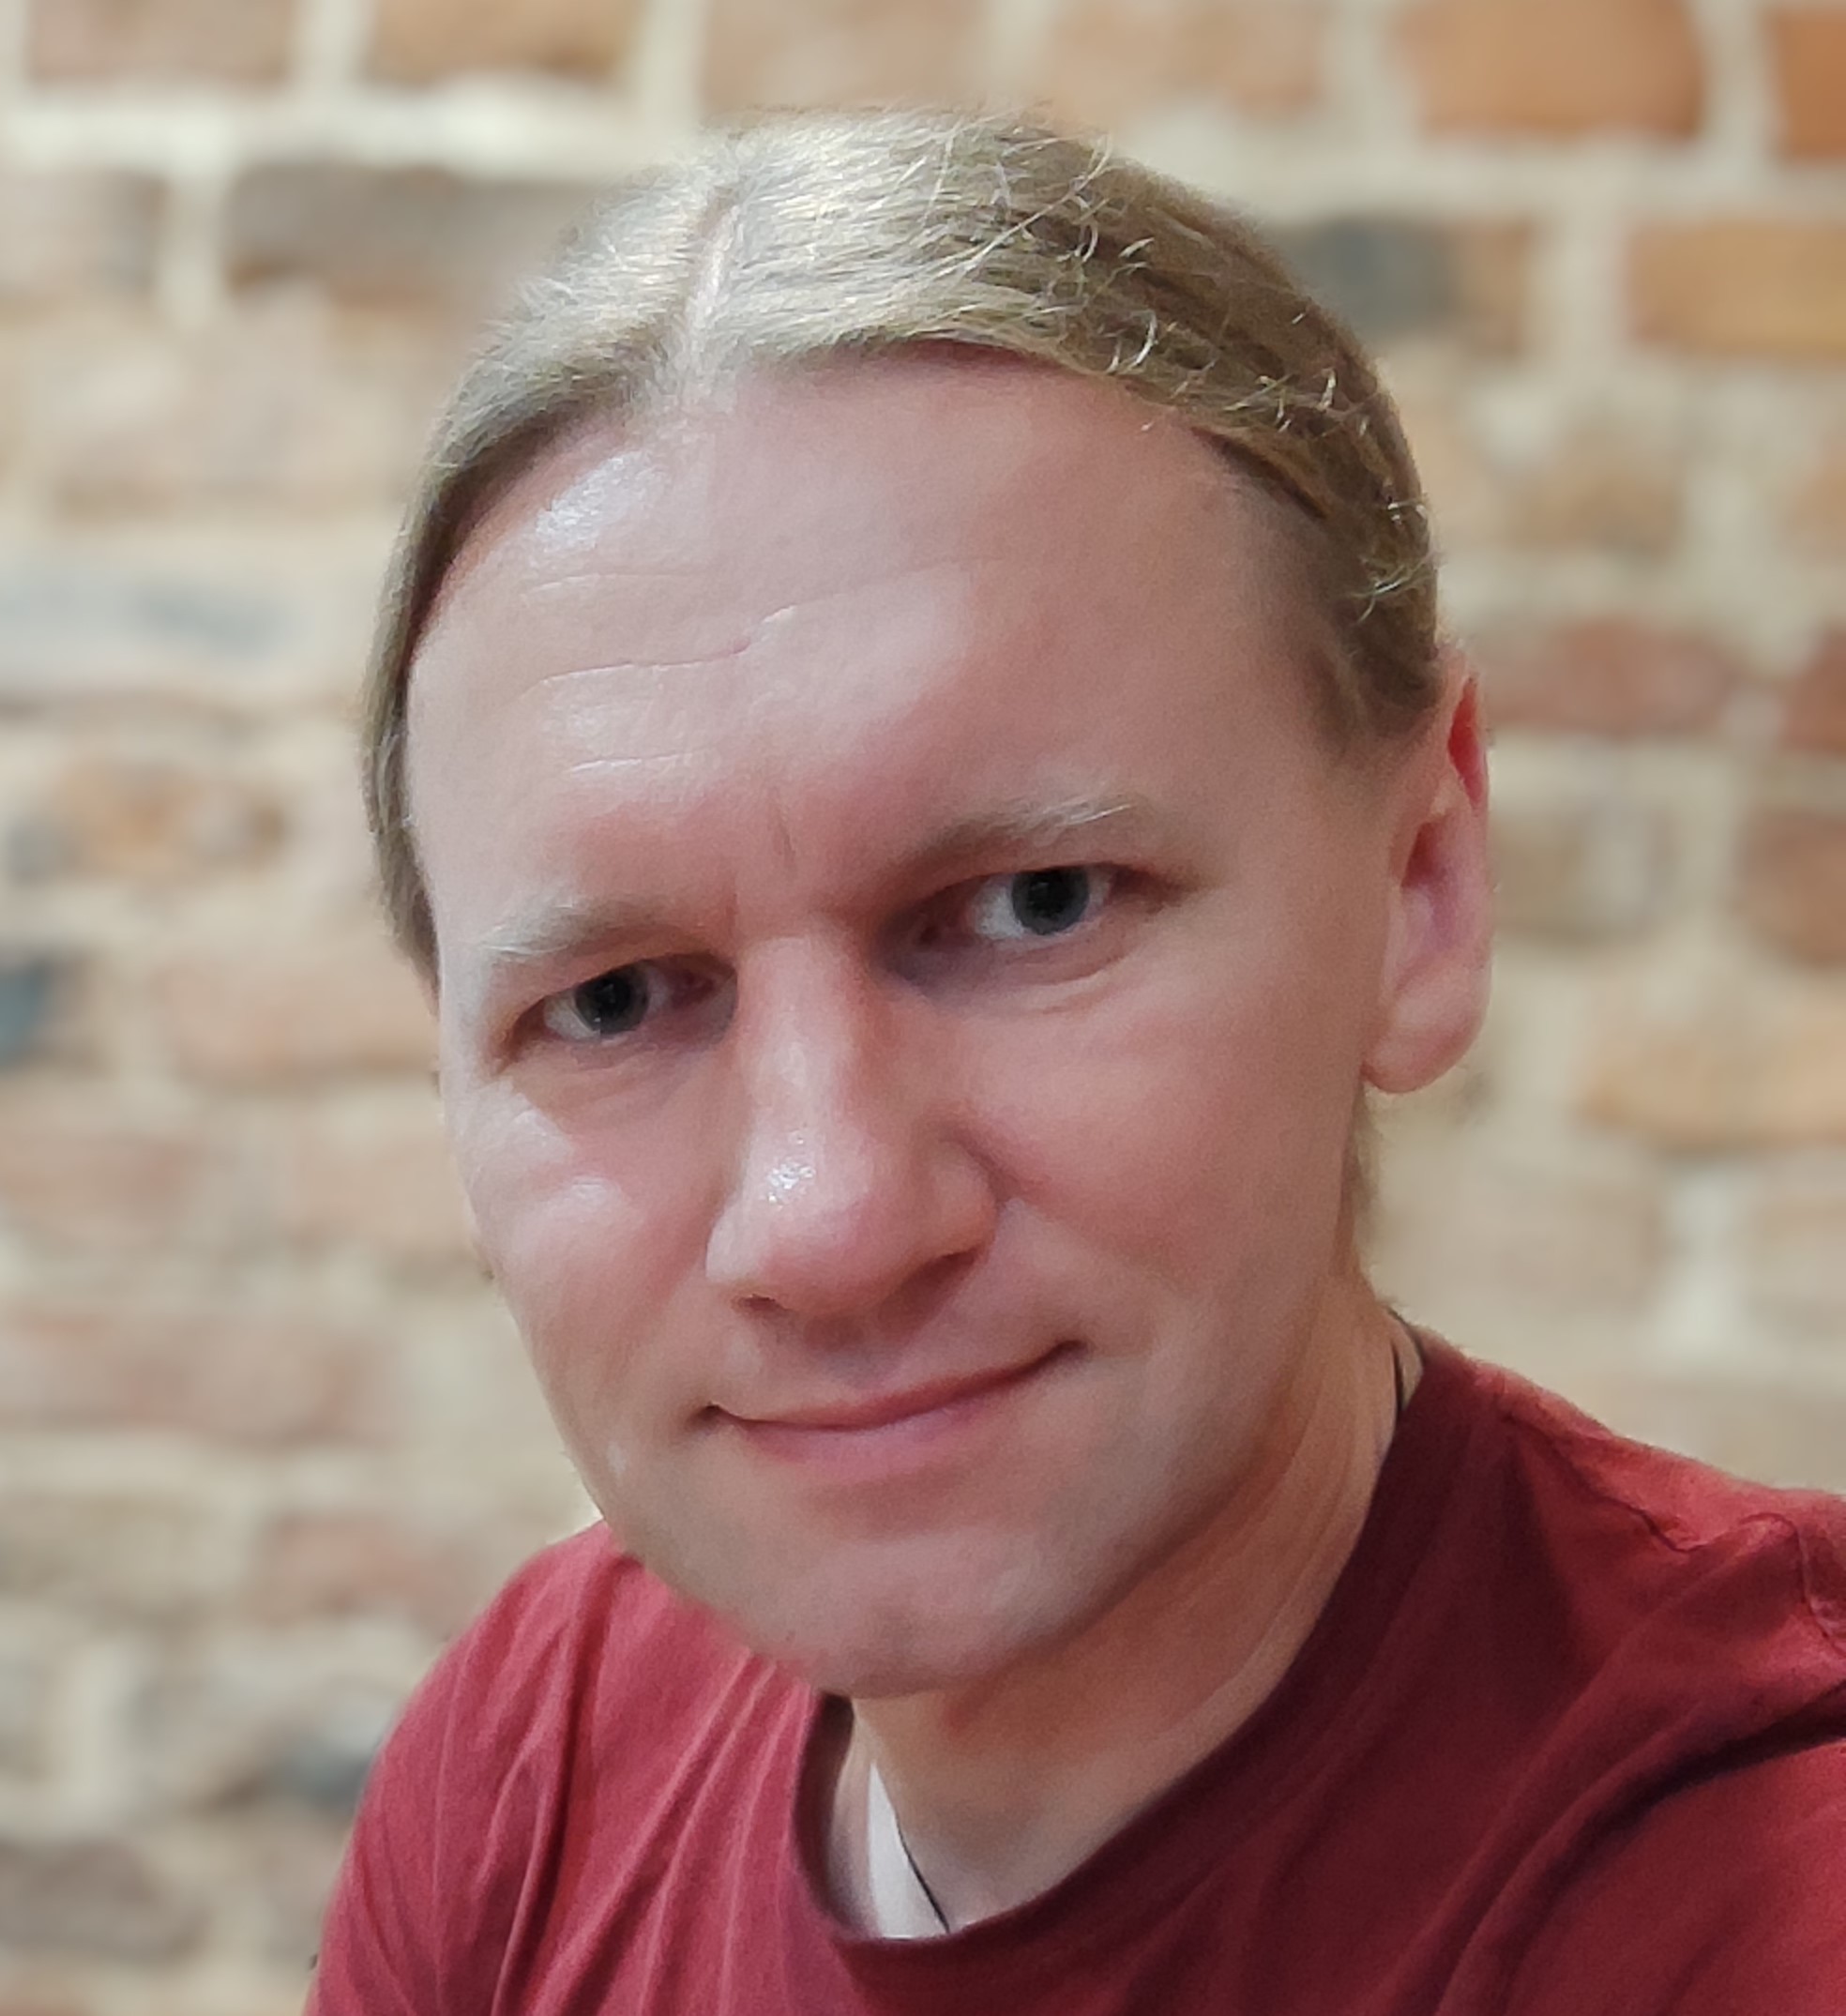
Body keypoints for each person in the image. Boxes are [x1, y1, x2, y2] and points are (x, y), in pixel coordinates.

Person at [310, 109, 1846, 2014]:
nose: (827, 1220)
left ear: (1419, 886)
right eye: (617, 1000)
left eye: (1032, 905)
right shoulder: (533, 1770)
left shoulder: (1763, 1878)